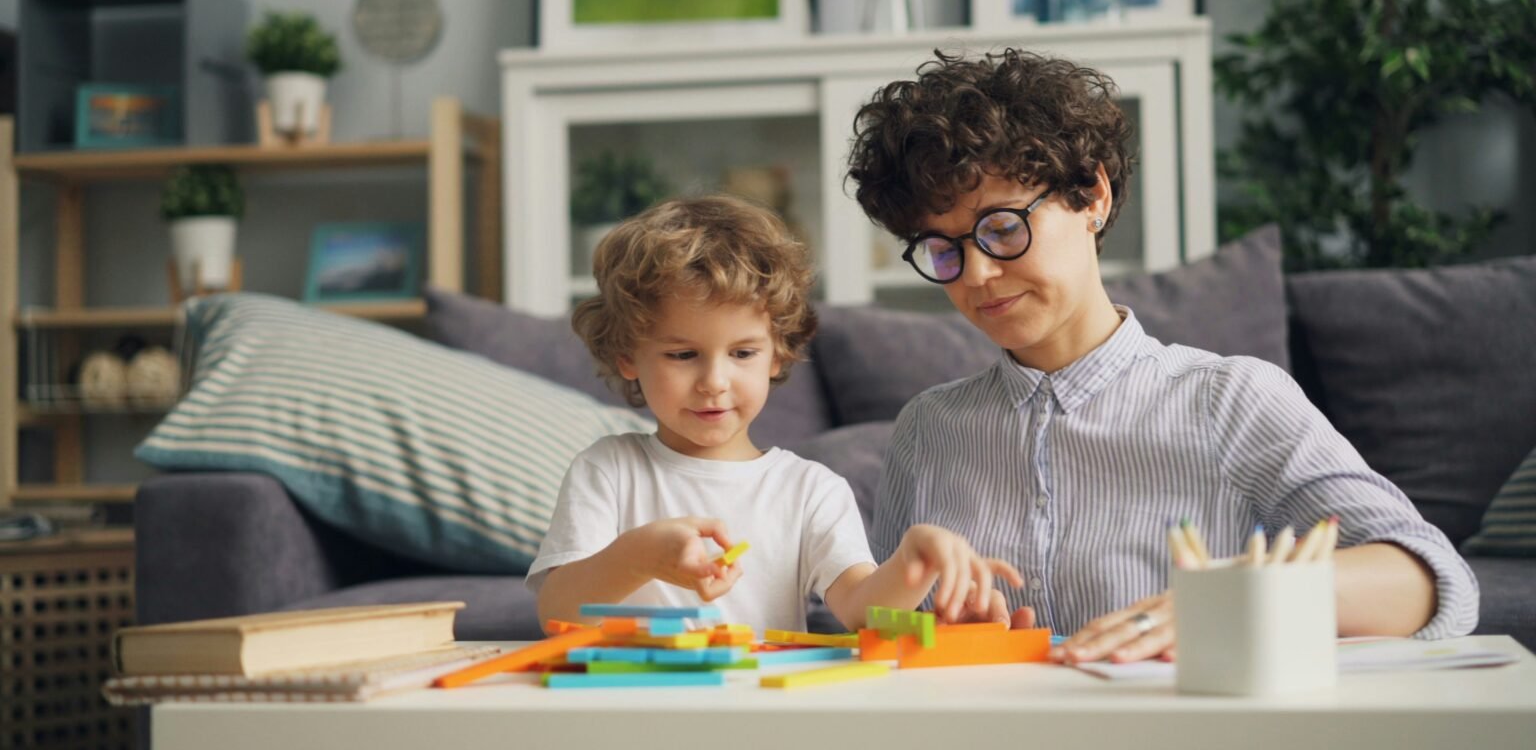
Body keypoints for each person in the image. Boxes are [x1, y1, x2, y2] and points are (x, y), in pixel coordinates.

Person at [844, 49, 1478, 663]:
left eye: (1003, 228)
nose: (977, 274)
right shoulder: (927, 429)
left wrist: (1232, 602)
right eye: (944, 250)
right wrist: (937, 636)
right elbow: (876, 630)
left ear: (1092, 196)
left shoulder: (1229, 400)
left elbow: (1431, 579)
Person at [529, 195, 1022, 633]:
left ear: (778, 355)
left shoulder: (809, 490)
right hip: (633, 702)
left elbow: (861, 611)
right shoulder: (607, 471)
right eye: (682, 355)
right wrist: (638, 557)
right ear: (627, 357)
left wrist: (913, 560)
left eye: (743, 353)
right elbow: (557, 613)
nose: (714, 381)